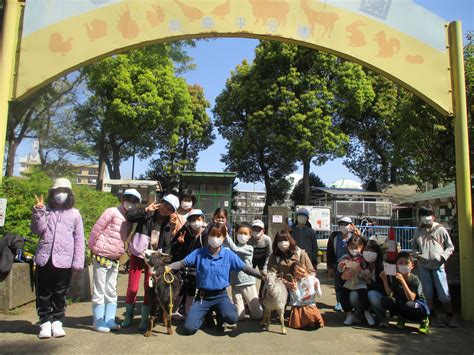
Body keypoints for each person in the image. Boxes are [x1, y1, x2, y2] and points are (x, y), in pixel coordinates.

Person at [166, 223, 262, 335]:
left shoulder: (228, 254)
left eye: (219, 236)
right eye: (212, 235)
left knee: (232, 318)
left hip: (221, 295)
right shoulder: (199, 253)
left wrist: (261, 275)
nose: (215, 238)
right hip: (203, 296)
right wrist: (167, 267)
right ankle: (205, 314)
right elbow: (182, 263)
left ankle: (221, 312)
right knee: (189, 328)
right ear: (208, 236)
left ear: (224, 237)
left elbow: (245, 268)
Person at [31, 178, 85, 339]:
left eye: (64, 191)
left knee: (60, 292)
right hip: (44, 259)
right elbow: (36, 230)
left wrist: (77, 262)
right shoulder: (45, 210)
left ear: (69, 195)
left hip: (64, 261)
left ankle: (58, 322)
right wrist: (38, 212)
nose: (60, 194)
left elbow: (79, 238)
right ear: (52, 193)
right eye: (57, 191)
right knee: (43, 292)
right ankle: (45, 322)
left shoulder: (75, 214)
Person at [122, 193, 180, 330]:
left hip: (153, 260)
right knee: (132, 287)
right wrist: (145, 209)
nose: (165, 209)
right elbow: (129, 216)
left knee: (149, 288)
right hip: (138, 253)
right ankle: (128, 316)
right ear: (161, 202)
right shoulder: (147, 213)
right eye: (165, 205)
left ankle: (144, 318)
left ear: (172, 212)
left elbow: (167, 246)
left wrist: (165, 262)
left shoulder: (167, 224)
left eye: (169, 209)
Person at [88, 189, 141, 333]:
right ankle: (98, 321)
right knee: (99, 289)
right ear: (123, 199)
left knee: (111, 289)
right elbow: (97, 229)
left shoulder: (129, 218)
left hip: (115, 257)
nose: (131, 203)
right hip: (101, 254)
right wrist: (92, 247)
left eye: (134, 201)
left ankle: (109, 319)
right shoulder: (111, 211)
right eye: (129, 199)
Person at [412, 205, 457, 327]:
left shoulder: (440, 229)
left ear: (433, 216)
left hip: (438, 265)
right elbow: (414, 246)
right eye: (423, 215)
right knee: (428, 291)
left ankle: (450, 315)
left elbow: (450, 246)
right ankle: (432, 315)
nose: (426, 218)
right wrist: (416, 254)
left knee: (444, 291)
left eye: (428, 215)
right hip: (423, 264)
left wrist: (443, 257)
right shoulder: (418, 230)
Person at [380, 251, 430, 335]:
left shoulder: (414, 279)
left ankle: (424, 320)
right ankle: (401, 318)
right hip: (403, 302)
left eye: (406, 263)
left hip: (417, 305)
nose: (403, 265)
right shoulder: (396, 278)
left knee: (409, 305)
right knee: (387, 300)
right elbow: (390, 294)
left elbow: (411, 298)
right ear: (396, 265)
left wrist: (403, 281)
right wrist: (384, 279)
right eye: (400, 263)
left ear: (412, 266)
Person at [170, 209, 206, 316]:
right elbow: (173, 248)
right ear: (189, 221)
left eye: (199, 219)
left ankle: (188, 312)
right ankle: (173, 311)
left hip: (196, 269)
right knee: (179, 290)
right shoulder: (184, 231)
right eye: (193, 220)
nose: (196, 222)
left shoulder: (206, 233)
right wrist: (179, 243)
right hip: (182, 267)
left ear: (203, 219)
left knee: (191, 291)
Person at [224, 222, 263, 321]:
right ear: (236, 233)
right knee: (239, 316)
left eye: (245, 234)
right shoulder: (230, 248)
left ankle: (253, 306)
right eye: (240, 233)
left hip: (248, 283)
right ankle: (237, 307)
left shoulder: (249, 248)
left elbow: (236, 250)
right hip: (235, 284)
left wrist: (227, 235)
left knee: (257, 315)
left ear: (250, 236)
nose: (242, 236)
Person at [337, 235, 375, 326]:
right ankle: (349, 314)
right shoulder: (345, 257)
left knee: (363, 297)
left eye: (356, 247)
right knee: (343, 298)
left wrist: (360, 271)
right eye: (351, 247)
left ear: (361, 247)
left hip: (360, 283)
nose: (353, 249)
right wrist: (341, 267)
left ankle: (367, 312)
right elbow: (339, 270)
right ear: (348, 247)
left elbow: (367, 272)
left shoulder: (362, 259)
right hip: (348, 283)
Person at [326, 216, 360, 312]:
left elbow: (362, 246)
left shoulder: (354, 237)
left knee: (351, 284)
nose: (343, 226)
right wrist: (330, 267)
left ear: (351, 225)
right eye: (341, 224)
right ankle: (339, 302)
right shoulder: (334, 237)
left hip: (352, 265)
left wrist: (359, 235)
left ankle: (350, 303)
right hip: (338, 265)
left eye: (346, 224)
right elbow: (330, 252)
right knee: (338, 284)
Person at [288, 261, 324, 329]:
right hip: (299, 306)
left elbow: (319, 295)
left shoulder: (314, 280)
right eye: (296, 273)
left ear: (304, 267)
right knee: (303, 317)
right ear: (294, 275)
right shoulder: (296, 283)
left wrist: (316, 288)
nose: (300, 273)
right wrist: (295, 289)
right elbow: (298, 299)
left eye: (300, 270)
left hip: (310, 305)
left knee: (311, 313)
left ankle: (309, 322)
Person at [364, 239, 388, 327]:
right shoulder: (361, 264)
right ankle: (361, 315)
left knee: (372, 295)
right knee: (354, 295)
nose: (368, 253)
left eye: (372, 251)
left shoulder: (382, 267)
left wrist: (370, 282)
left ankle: (382, 317)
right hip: (363, 293)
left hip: (379, 295)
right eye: (366, 250)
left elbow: (383, 289)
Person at [248, 219, 272, 297]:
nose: (256, 231)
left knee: (265, 277)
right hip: (251, 259)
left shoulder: (267, 239)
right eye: (254, 228)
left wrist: (265, 267)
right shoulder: (248, 239)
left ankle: (262, 296)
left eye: (259, 229)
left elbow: (269, 253)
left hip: (263, 258)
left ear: (263, 230)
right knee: (249, 276)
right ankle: (249, 296)